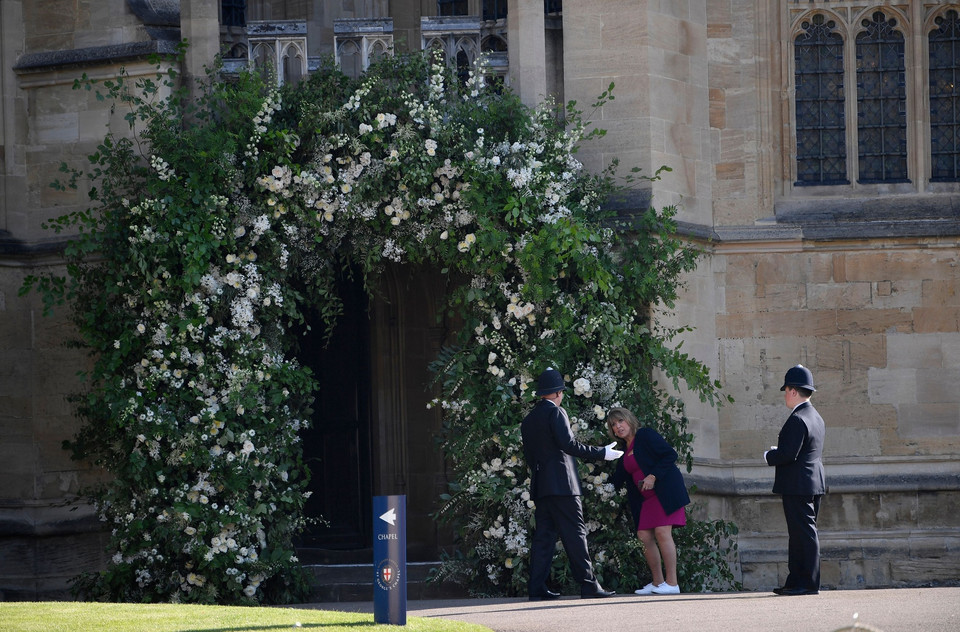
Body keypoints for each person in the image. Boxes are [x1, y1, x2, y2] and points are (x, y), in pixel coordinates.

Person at [520, 367, 623, 600]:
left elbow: (530, 456)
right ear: (557, 392)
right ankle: (588, 585)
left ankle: (536, 588)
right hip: (563, 486)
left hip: (542, 487)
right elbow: (569, 445)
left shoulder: (529, 420)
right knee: (575, 534)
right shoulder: (556, 413)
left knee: (544, 538)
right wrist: (602, 453)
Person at [607, 407, 690, 595]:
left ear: (629, 420)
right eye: (613, 425)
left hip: (665, 492)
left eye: (620, 421)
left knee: (662, 532)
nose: (618, 426)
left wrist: (653, 476)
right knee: (644, 537)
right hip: (646, 501)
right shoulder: (623, 450)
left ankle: (672, 583)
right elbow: (617, 479)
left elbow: (670, 454)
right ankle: (658, 582)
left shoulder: (645, 435)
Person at [764, 364, 826, 596]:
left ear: (792, 391)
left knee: (804, 534)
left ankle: (807, 582)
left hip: (799, 483)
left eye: (785, 391)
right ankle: (796, 579)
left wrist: (768, 455)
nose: (784, 396)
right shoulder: (815, 417)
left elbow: (788, 453)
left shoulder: (798, 418)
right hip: (811, 481)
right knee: (800, 534)